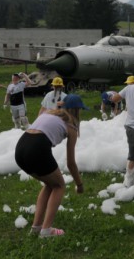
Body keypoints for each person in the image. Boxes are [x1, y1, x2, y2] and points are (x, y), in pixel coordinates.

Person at [14, 94, 87, 237]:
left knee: (49, 184)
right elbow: (71, 163)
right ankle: (46, 230)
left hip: (21, 148)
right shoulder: (71, 126)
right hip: (37, 148)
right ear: (77, 110)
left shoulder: (48, 113)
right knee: (59, 185)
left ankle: (36, 227)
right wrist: (79, 184)